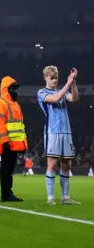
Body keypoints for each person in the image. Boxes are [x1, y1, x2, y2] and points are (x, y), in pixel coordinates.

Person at [37, 66, 80, 205]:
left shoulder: (62, 91)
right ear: (45, 78)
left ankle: (65, 197)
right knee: (52, 163)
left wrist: (73, 82)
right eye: (52, 78)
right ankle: (50, 197)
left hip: (66, 132)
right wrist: (67, 83)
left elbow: (74, 98)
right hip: (52, 132)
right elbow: (55, 99)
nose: (55, 81)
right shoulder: (42, 92)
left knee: (67, 163)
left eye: (56, 78)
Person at [0, 76, 27, 202]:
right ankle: (6, 193)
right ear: (6, 89)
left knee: (9, 169)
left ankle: (7, 192)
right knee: (6, 169)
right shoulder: (0, 103)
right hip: (7, 143)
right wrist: (5, 142)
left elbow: (20, 126)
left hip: (15, 143)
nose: (15, 91)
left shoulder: (15, 105)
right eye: (13, 89)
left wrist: (24, 145)